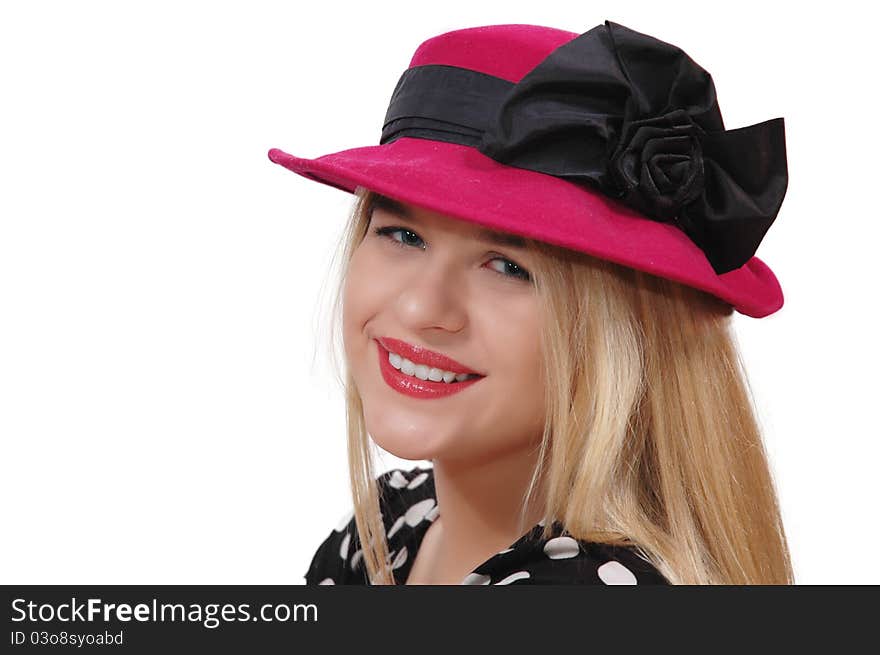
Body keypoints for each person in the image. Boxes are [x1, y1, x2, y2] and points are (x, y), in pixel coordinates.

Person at [268, 20, 793, 585]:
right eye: (402, 235)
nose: (423, 307)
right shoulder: (386, 530)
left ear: (626, 332)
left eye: (508, 267)